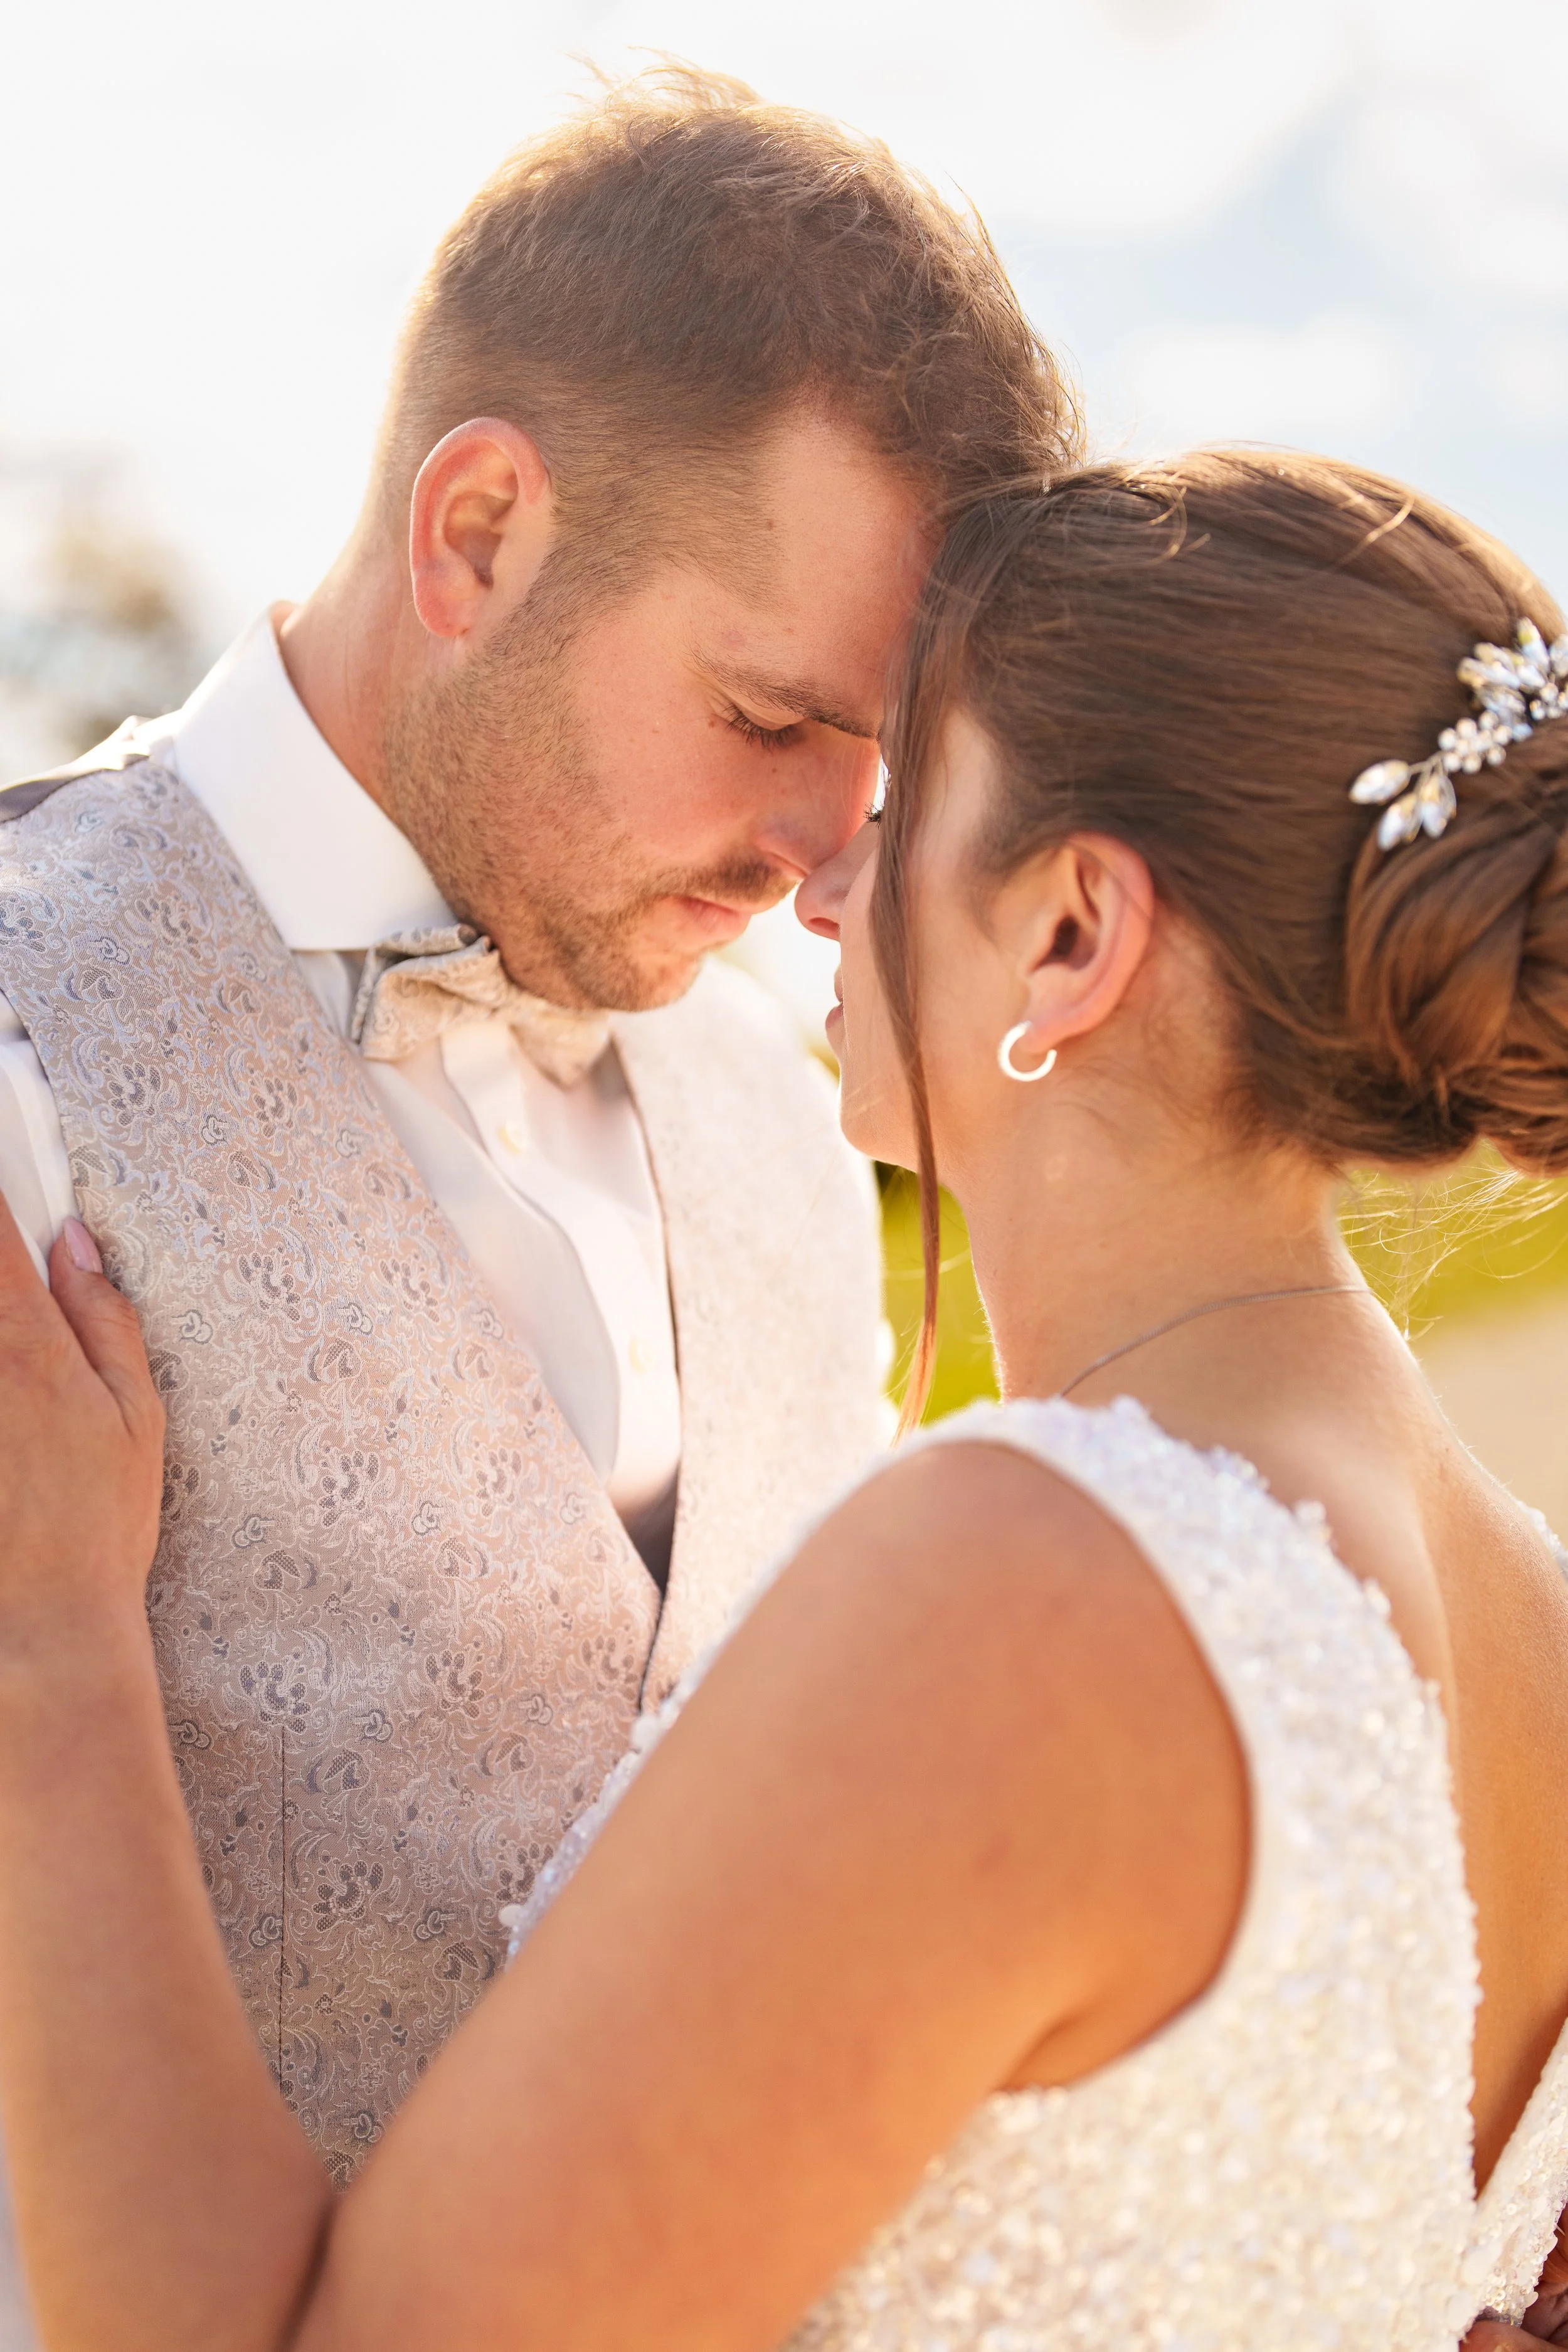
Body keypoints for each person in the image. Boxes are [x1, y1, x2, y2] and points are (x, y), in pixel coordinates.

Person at [2, 446, 1568, 2351]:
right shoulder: (1532, 1617)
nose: (815, 873)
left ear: (1070, 933)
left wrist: (52, 1647)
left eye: (905, 791)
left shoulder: (1024, 1583)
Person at [0, 57, 1076, 2235]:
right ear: (478, 532)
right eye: (773, 718)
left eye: (880, 765)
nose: (817, 863)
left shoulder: (782, 1108)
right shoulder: (21, 1020)